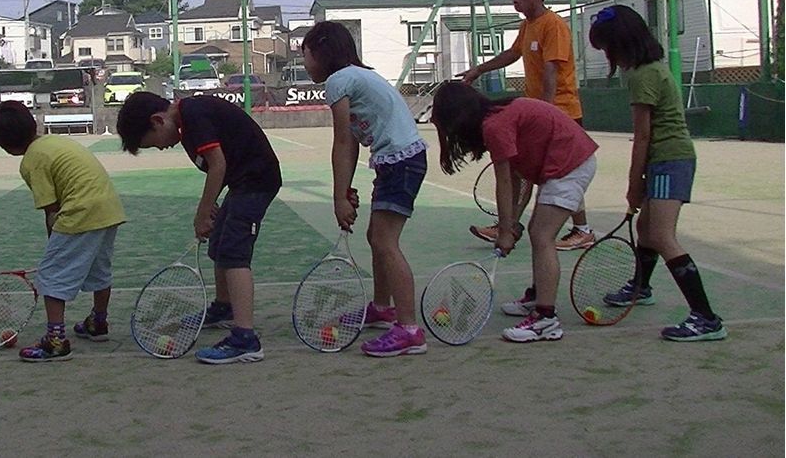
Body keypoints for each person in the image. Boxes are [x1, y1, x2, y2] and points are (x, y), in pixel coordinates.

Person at [588, 5, 726, 341]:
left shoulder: (642, 76)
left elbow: (644, 137)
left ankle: (706, 318)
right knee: (645, 227)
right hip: (667, 160)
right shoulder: (650, 68)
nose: (608, 55)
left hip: (669, 161)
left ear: (622, 43)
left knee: (662, 236)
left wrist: (634, 185)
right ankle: (641, 287)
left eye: (607, 47)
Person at [117, 91, 281, 364]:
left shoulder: (193, 114)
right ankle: (224, 308)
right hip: (242, 182)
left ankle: (246, 339)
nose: (159, 148)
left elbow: (218, 165)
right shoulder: (186, 121)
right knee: (219, 243)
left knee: (233, 254)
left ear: (158, 121)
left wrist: (203, 212)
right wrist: (211, 207)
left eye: (153, 143)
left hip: (257, 181)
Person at [430, 82, 597, 343]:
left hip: (571, 162)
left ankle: (546, 319)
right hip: (562, 162)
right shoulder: (498, 116)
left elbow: (505, 183)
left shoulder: (495, 126)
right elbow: (519, 180)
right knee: (536, 231)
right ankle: (537, 296)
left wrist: (505, 232)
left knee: (542, 235)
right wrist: (509, 226)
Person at [301, 21, 428, 357]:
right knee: (376, 237)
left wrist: (338, 197)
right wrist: (346, 189)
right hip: (397, 161)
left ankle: (409, 330)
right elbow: (354, 143)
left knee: (386, 243)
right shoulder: (355, 76)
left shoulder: (339, 80)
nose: (304, 63)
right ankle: (384, 309)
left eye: (306, 55)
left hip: (401, 162)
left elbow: (342, 141)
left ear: (321, 53)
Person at [460, 0, 595, 253]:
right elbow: (511, 53)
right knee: (525, 173)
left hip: (562, 114)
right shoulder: (528, 25)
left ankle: (582, 229)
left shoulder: (554, 26)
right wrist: (478, 70)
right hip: (541, 114)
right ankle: (508, 226)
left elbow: (551, 73)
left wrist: (544, 115)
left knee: (560, 174)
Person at [0, 100, 126, 362]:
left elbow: (52, 210)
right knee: (99, 270)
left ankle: (56, 341)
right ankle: (98, 323)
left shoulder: (32, 161)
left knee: (51, 277)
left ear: (4, 146)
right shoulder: (57, 142)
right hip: (109, 210)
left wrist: (55, 246)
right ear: (33, 124)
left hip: (80, 214)